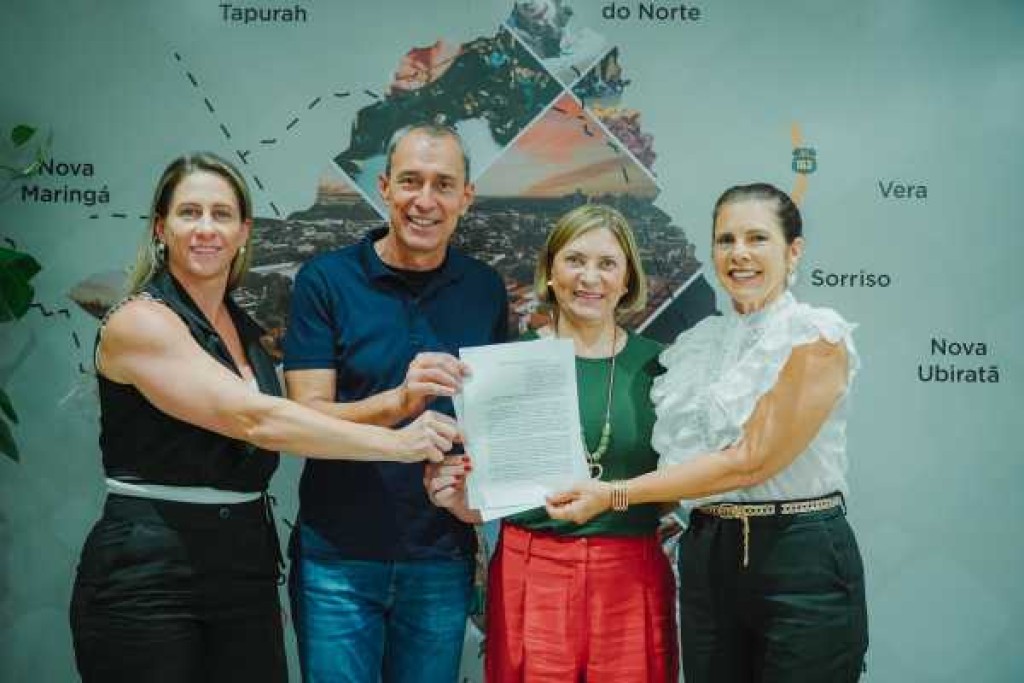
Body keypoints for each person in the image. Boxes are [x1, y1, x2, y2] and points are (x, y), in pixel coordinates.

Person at [69, 152, 459, 683]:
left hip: (245, 568)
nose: (206, 228)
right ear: (161, 227)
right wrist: (399, 444)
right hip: (150, 572)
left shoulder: (244, 330)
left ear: (243, 231)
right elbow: (255, 420)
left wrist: (398, 404)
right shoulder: (140, 321)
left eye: (222, 214)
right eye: (189, 213)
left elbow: (298, 418)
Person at [546, 183, 869, 682]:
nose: (739, 253)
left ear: (793, 251)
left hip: (798, 557)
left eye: (757, 238)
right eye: (726, 240)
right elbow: (667, 462)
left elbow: (751, 460)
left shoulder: (814, 336)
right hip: (707, 554)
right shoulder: (696, 344)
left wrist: (612, 494)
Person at [283, 123, 508, 682]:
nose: (424, 200)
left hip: (440, 556)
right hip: (336, 557)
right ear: (384, 187)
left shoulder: (485, 288)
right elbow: (302, 419)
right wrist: (399, 403)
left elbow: (494, 423)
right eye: (410, 181)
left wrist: (476, 491)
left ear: (466, 197)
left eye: (443, 184)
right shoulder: (325, 280)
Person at [428, 204, 678, 682]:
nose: (590, 277)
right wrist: (460, 502)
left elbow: (675, 488)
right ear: (550, 271)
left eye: (607, 263)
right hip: (531, 567)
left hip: (630, 570)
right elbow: (494, 493)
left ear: (628, 278)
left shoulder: (661, 367)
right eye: (575, 260)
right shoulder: (503, 366)